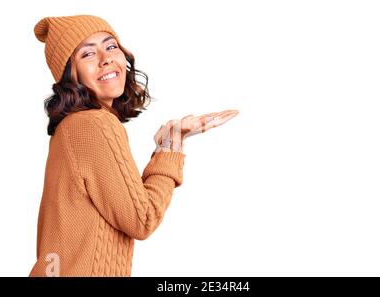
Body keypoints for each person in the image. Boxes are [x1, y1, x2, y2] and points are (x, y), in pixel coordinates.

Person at [29, 15, 238, 277]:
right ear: (71, 75)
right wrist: (170, 146)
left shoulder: (72, 128)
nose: (105, 58)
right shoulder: (94, 124)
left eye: (111, 46)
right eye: (88, 54)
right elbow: (142, 220)